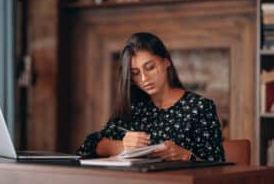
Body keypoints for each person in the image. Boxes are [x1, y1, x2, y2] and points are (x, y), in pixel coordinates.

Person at [77, 32, 225, 162]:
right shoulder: (134, 108)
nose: (144, 78)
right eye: (135, 73)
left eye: (150, 67)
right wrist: (123, 147)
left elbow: (218, 168)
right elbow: (88, 146)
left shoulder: (199, 107)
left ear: (166, 61)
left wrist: (186, 156)